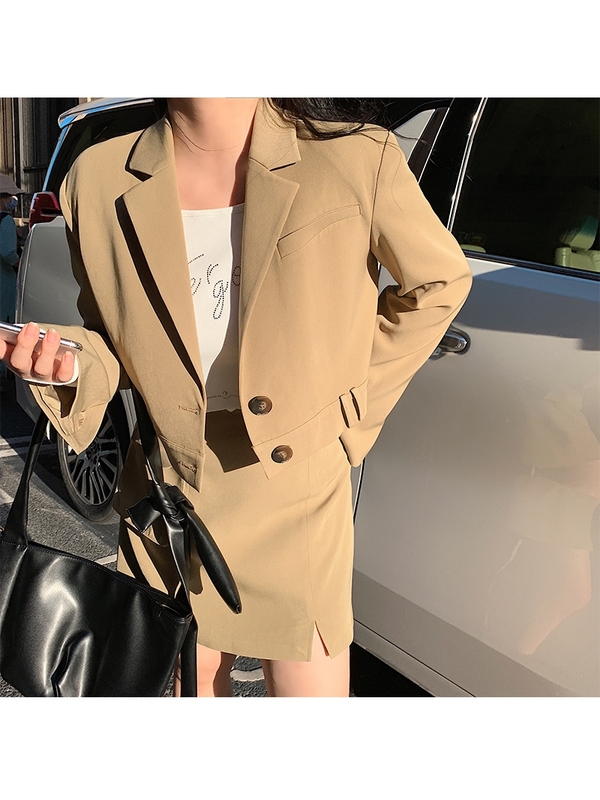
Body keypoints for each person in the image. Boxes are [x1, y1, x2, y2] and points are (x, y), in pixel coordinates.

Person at [0, 98, 472, 696]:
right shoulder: (95, 178)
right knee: (188, 678)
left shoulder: (352, 157)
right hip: (172, 484)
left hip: (298, 485)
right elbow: (111, 338)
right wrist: (67, 364)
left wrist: (347, 413)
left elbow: (437, 283)